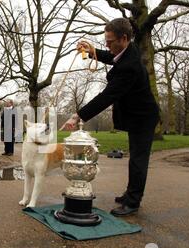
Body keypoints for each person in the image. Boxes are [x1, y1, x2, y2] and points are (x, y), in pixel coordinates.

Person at [63, 18, 160, 217]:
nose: (107, 45)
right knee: (135, 158)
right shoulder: (127, 51)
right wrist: (91, 52)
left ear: (123, 38)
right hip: (137, 115)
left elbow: (107, 97)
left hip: (144, 117)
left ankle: (132, 201)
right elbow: (111, 56)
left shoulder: (129, 66)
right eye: (105, 41)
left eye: (110, 41)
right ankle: (130, 194)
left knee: (138, 160)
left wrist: (78, 116)